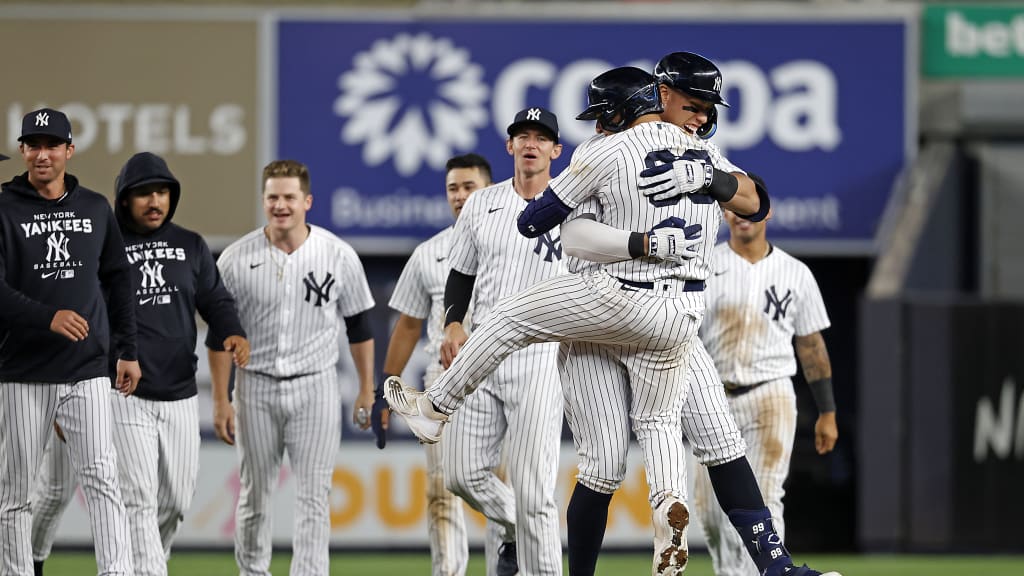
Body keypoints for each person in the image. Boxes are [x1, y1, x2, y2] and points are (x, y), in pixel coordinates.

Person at [385, 67, 762, 576]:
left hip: (617, 296)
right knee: (658, 425)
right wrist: (710, 182)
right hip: (679, 311)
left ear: (619, 111)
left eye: (603, 115)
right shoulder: (702, 154)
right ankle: (670, 511)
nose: (600, 124)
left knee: (508, 317)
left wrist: (588, 209)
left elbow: (534, 219)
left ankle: (436, 406)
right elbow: (757, 199)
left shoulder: (605, 150)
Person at [553, 53, 838, 576]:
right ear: (661, 95)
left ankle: (777, 567)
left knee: (722, 442)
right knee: (602, 467)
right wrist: (641, 244)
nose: (704, 115)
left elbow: (755, 199)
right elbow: (572, 235)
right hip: (601, 311)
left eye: (710, 106)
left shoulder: (701, 150)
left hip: (669, 318)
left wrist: (711, 177)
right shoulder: (602, 149)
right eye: (694, 103)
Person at [28, 152, 252, 576]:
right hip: (120, 392)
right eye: (145, 193)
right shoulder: (100, 248)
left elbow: (217, 302)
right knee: (135, 501)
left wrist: (233, 330)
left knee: (175, 503)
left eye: (163, 192)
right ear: (124, 199)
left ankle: (142, 562)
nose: (155, 201)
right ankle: (55, 561)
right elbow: (74, 314)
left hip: (180, 395)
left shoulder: (191, 246)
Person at [207, 159, 376, 575]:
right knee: (254, 494)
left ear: (307, 201)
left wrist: (367, 387)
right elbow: (217, 336)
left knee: (314, 496)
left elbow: (359, 325)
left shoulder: (337, 254)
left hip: (315, 386)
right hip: (256, 385)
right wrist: (220, 399)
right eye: (273, 197)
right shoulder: (234, 258)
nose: (280, 205)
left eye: (289, 197)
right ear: (263, 201)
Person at [426, 108, 567, 576]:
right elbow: (460, 274)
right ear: (509, 147)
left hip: (540, 358)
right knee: (461, 475)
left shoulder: (575, 206)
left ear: (555, 150)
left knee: (534, 491)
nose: (530, 143)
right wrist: (451, 322)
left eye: (540, 137)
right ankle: (518, 527)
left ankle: (538, 556)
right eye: (522, 135)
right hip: (482, 353)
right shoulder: (481, 204)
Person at [0, 107, 139, 575]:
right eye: (33, 145)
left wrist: (128, 351)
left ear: (69, 150)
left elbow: (120, 281)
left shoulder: (96, 207)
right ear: (22, 150)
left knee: (103, 479)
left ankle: (117, 571)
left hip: (86, 368)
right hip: (23, 371)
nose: (42, 154)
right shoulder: (3, 207)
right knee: (16, 492)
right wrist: (47, 317)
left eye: (51, 145)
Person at [693, 176, 838, 576]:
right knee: (708, 513)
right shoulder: (706, 263)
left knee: (767, 498)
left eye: (749, 206)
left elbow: (811, 346)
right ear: (724, 212)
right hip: (711, 398)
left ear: (766, 210)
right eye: (734, 207)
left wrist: (827, 411)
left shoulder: (796, 273)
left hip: (770, 394)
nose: (741, 214)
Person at [371, 153, 493, 576]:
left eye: (468, 187)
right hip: (444, 382)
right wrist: (384, 390)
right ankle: (448, 571)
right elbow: (407, 325)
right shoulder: (429, 253)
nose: (460, 196)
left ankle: (511, 565)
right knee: (442, 490)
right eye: (453, 189)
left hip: (504, 376)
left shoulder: (513, 240)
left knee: (506, 486)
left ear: (488, 189)